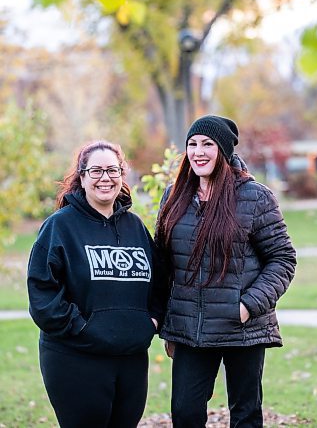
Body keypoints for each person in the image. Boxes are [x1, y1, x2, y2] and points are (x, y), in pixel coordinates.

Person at [155, 115, 297, 428]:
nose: (198, 151)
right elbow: (164, 263)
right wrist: (167, 322)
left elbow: (283, 259)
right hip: (189, 329)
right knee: (185, 413)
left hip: (241, 328)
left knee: (245, 414)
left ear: (224, 151)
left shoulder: (255, 197)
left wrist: (247, 306)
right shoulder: (173, 196)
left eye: (207, 144)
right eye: (192, 144)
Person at [27, 140, 166, 428]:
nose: (106, 178)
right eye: (97, 170)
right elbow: (43, 293)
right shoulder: (60, 226)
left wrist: (150, 322)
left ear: (122, 175)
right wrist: (82, 327)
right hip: (76, 358)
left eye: (113, 170)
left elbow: (160, 281)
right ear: (82, 176)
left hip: (130, 359)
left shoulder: (135, 227)